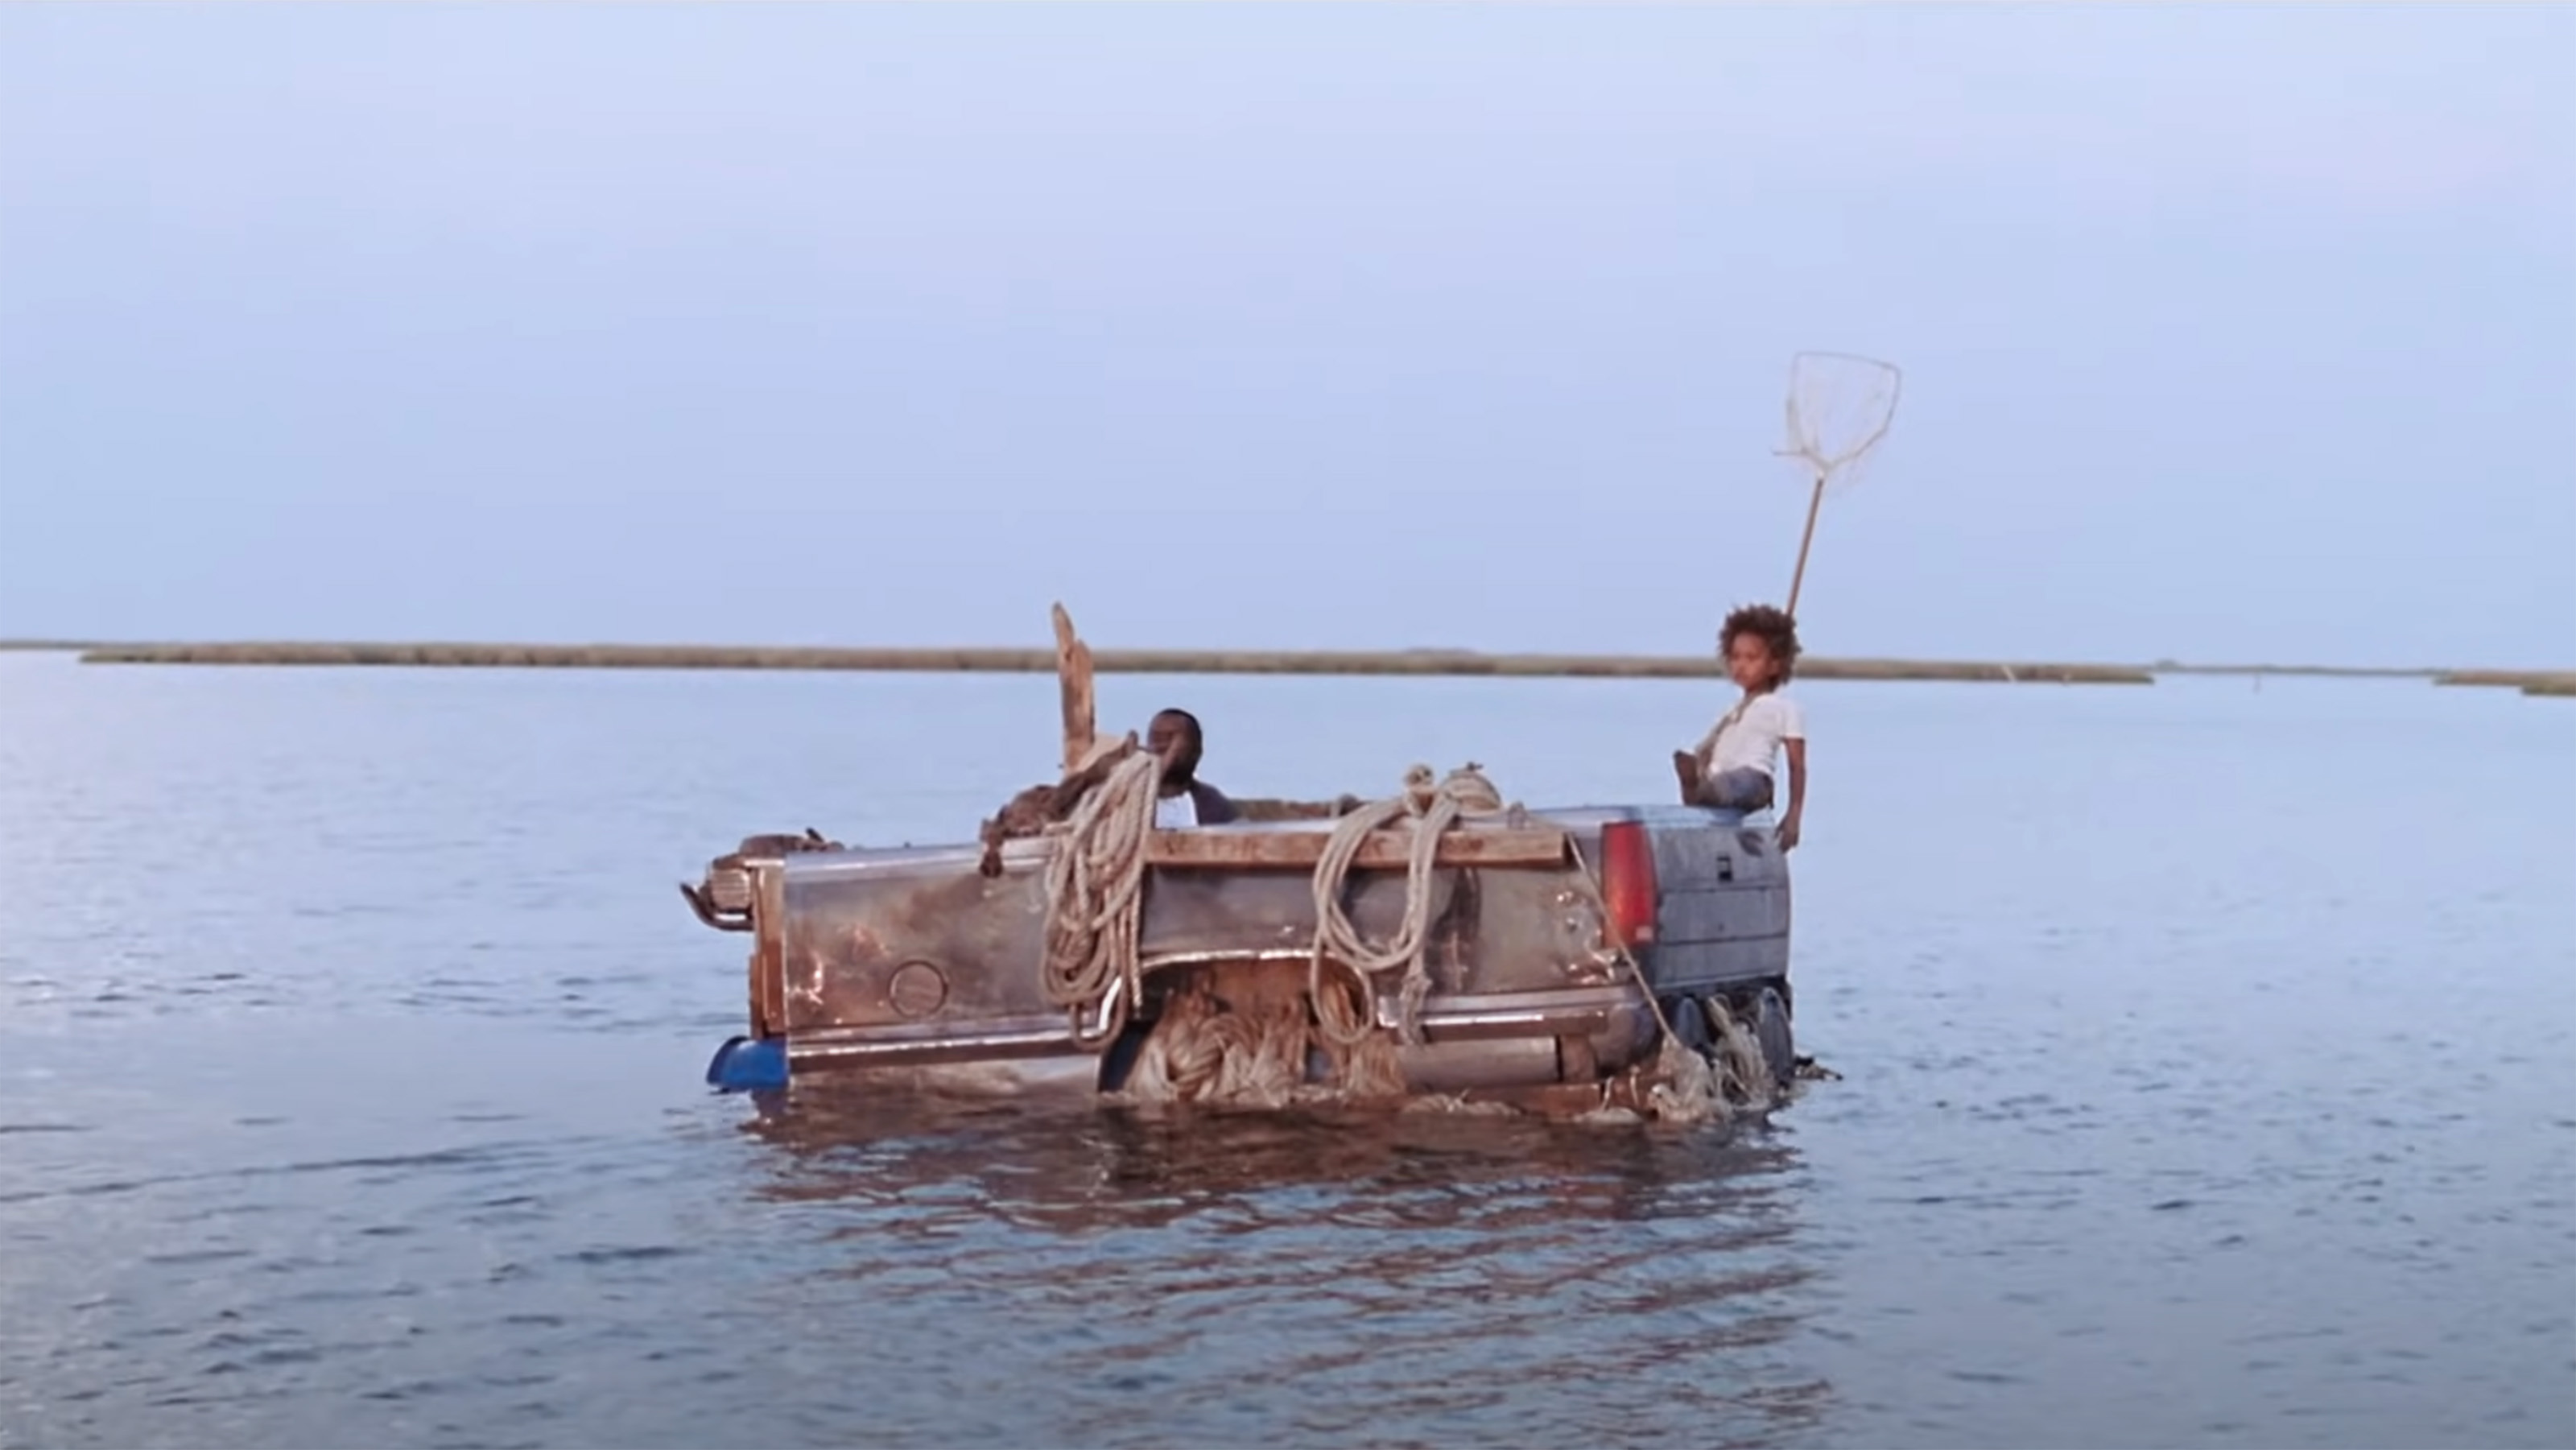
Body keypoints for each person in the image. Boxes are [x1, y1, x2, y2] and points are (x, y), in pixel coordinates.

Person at [1673, 603, 1807, 851]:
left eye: (1751, 659)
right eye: (1735, 658)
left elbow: (1797, 766)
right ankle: (1698, 795)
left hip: (1753, 781)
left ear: (1775, 665)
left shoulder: (1783, 708)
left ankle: (1701, 790)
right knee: (1708, 777)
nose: (1740, 666)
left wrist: (1793, 816)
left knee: (1730, 785)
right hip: (1721, 778)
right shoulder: (1733, 712)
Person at [1144, 707, 1241, 828]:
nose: (1162, 747)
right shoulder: (1128, 802)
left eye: (1169, 738)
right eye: (1156, 738)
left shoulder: (1211, 803)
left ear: (1196, 750)